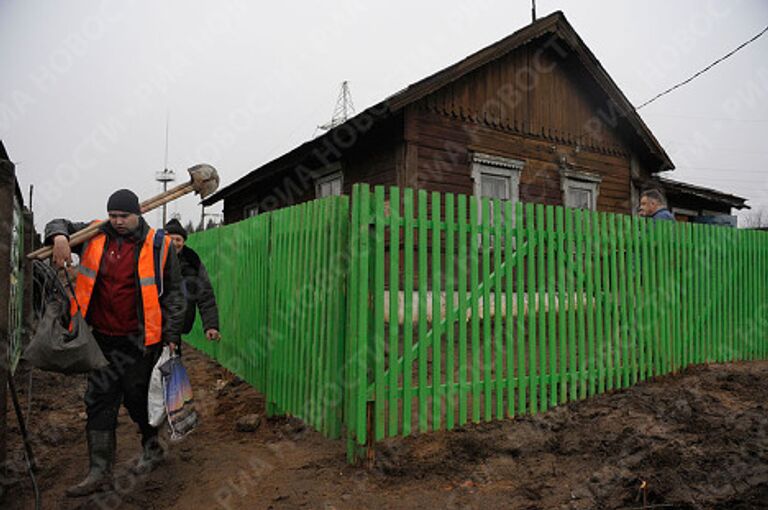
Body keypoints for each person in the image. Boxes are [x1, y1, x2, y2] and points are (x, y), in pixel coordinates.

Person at [45, 189, 185, 497]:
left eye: (124, 216)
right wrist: (58, 236)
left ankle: (152, 449)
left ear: (138, 214)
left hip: (140, 342)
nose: (118, 221)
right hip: (100, 339)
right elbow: (58, 223)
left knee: (139, 401)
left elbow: (175, 293)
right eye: (113, 215)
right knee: (98, 400)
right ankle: (98, 470)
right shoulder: (94, 234)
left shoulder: (159, 245)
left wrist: (172, 335)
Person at [163, 218, 221, 342]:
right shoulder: (152, 260)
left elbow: (205, 296)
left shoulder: (192, 261)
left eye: (178, 239)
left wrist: (211, 326)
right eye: (170, 239)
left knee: (172, 357)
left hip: (179, 326)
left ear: (183, 242)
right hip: (155, 327)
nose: (174, 243)